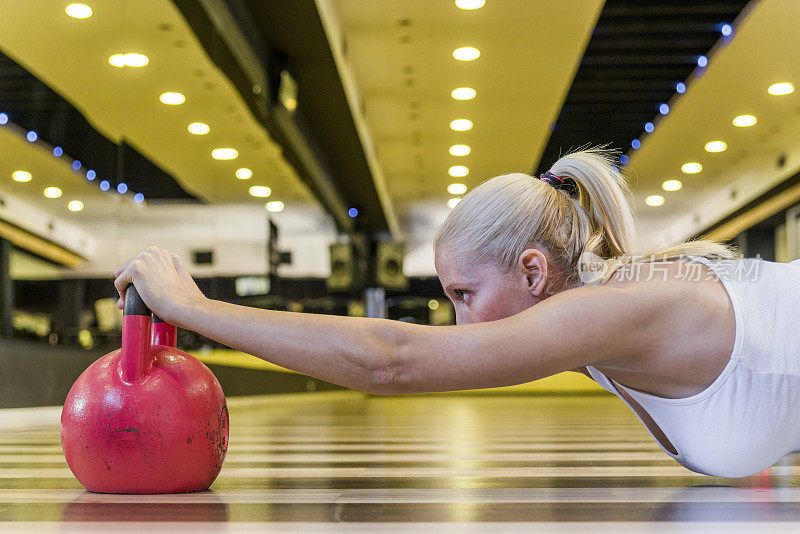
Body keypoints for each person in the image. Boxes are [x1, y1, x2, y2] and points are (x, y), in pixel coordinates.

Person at [113, 147, 800, 478]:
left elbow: (391, 360)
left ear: (534, 271)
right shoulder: (602, 328)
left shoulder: (619, 306)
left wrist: (192, 307)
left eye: (464, 296)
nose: (459, 322)